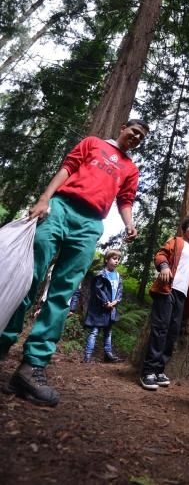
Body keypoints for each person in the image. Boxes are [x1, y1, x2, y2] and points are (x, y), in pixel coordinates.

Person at [0, 119, 148, 406]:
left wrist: (129, 225)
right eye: (134, 131)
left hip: (91, 224)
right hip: (60, 208)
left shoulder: (130, 169)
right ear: (122, 128)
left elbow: (126, 200)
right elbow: (67, 168)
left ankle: (32, 367)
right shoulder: (94, 143)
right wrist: (45, 198)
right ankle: (3, 341)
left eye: (141, 137)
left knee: (62, 293)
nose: (136, 137)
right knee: (29, 277)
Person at [140, 214, 189, 390]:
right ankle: (148, 372)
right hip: (166, 290)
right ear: (184, 229)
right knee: (160, 329)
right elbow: (161, 254)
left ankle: (159, 370)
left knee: (172, 332)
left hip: (181, 296)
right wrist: (164, 266)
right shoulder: (176, 242)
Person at [83, 249, 123, 363]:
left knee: (108, 332)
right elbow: (98, 290)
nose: (117, 261)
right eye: (114, 258)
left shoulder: (118, 276)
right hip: (99, 309)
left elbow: (120, 291)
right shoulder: (101, 274)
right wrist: (106, 302)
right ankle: (88, 356)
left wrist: (116, 301)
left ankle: (108, 355)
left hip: (111, 309)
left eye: (118, 259)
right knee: (94, 332)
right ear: (106, 260)